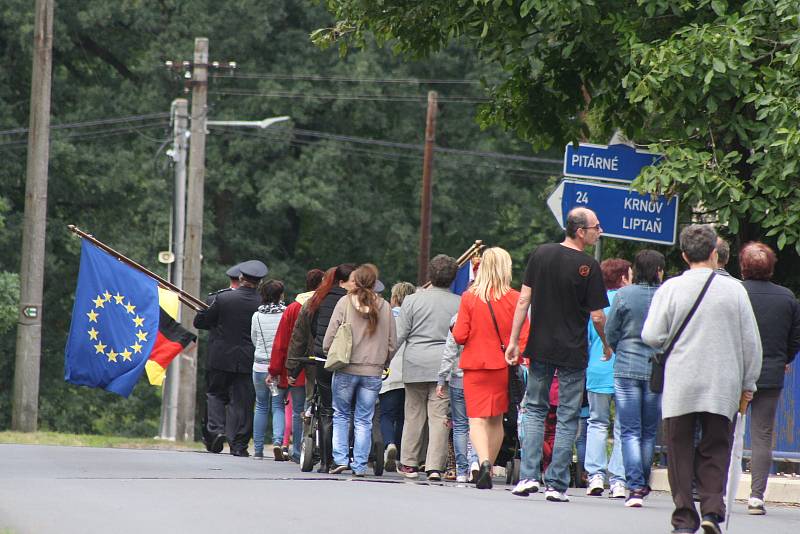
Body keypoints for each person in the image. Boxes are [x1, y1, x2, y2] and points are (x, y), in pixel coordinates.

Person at [642, 224, 762, 534]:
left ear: (683, 255)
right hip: (722, 382)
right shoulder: (735, 290)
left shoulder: (670, 288)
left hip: (681, 381)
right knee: (716, 447)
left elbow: (652, 335)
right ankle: (711, 511)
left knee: (679, 448)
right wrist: (749, 384)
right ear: (713, 253)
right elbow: (751, 344)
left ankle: (684, 518)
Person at [507, 207, 611, 503]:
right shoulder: (589, 266)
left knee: (536, 410)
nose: (599, 231)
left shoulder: (541, 254)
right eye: (596, 227)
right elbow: (597, 317)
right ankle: (556, 484)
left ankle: (528, 477)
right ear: (581, 231)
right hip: (572, 351)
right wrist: (605, 344)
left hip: (539, 347)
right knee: (567, 416)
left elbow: (524, 298)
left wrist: (514, 340)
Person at [452, 247, 529, 489]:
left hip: (475, 365)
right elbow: (525, 335)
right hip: (503, 366)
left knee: (476, 419)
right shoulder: (516, 298)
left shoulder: (469, 297)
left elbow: (460, 335)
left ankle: (484, 462)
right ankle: (490, 462)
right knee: (496, 419)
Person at [738, 242, 800, 515]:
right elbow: (794, 339)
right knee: (762, 434)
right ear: (772, 266)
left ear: (743, 266)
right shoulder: (787, 298)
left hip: (737, 372)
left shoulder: (736, 293)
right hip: (771, 373)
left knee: (725, 431)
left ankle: (717, 491)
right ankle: (756, 497)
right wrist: (782, 360)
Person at [323, 264, 397, 476]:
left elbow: (331, 333)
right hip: (372, 371)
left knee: (341, 414)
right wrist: (385, 361)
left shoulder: (344, 302)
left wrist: (329, 351)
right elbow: (393, 341)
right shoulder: (384, 307)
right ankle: (360, 464)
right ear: (375, 283)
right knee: (364, 418)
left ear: (354, 281)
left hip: (346, 367)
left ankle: (340, 459)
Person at [605, 249, 665, 507]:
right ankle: (642, 480)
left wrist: (620, 348)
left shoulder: (624, 294)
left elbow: (610, 330)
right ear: (659, 270)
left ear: (636, 271)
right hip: (656, 369)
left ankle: (635, 486)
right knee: (649, 431)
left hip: (627, 368)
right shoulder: (666, 295)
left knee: (629, 430)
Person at [286, 264, 357, 472]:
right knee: (347, 410)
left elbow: (298, 336)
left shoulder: (314, 301)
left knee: (326, 410)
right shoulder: (356, 303)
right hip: (349, 362)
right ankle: (347, 455)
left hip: (321, 360)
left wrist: (293, 368)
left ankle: (326, 461)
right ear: (344, 282)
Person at [396, 255, 461, 480]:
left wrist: (384, 362)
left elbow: (399, 335)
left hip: (415, 363)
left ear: (429, 275)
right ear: (453, 278)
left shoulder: (412, 301)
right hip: (445, 366)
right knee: (439, 416)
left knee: (413, 414)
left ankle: (409, 463)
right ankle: (434, 467)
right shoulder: (459, 303)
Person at [194, 260, 268, 457]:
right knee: (243, 402)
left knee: (215, 394)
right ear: (260, 282)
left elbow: (200, 322)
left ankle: (217, 431)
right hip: (248, 358)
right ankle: (239, 445)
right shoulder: (263, 302)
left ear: (241, 279)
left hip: (220, 356)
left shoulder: (223, 299)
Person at [585, 258, 630, 498]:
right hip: (624, 370)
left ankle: (595, 476)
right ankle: (619, 480)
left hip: (597, 368)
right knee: (623, 427)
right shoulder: (629, 302)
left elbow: (586, 338)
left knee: (597, 422)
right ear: (623, 278)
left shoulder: (596, 304)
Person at [269, 269, 324, 463]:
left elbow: (284, 341)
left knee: (298, 409)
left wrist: (280, 368)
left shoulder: (292, 308)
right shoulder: (324, 305)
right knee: (316, 408)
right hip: (319, 364)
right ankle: (311, 446)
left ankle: (297, 450)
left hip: (298, 365)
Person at [380, 281, 416, 472]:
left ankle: (388, 444)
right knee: (405, 417)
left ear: (394, 298)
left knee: (386, 414)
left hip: (390, 371)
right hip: (411, 372)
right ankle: (402, 453)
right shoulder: (415, 316)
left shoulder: (386, 317)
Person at [250, 279, 287, 460]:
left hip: (259, 365)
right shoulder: (286, 314)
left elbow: (254, 339)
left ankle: (257, 449)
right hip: (278, 367)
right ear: (280, 295)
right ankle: (278, 442)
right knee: (278, 406)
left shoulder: (256, 316)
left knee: (261, 406)